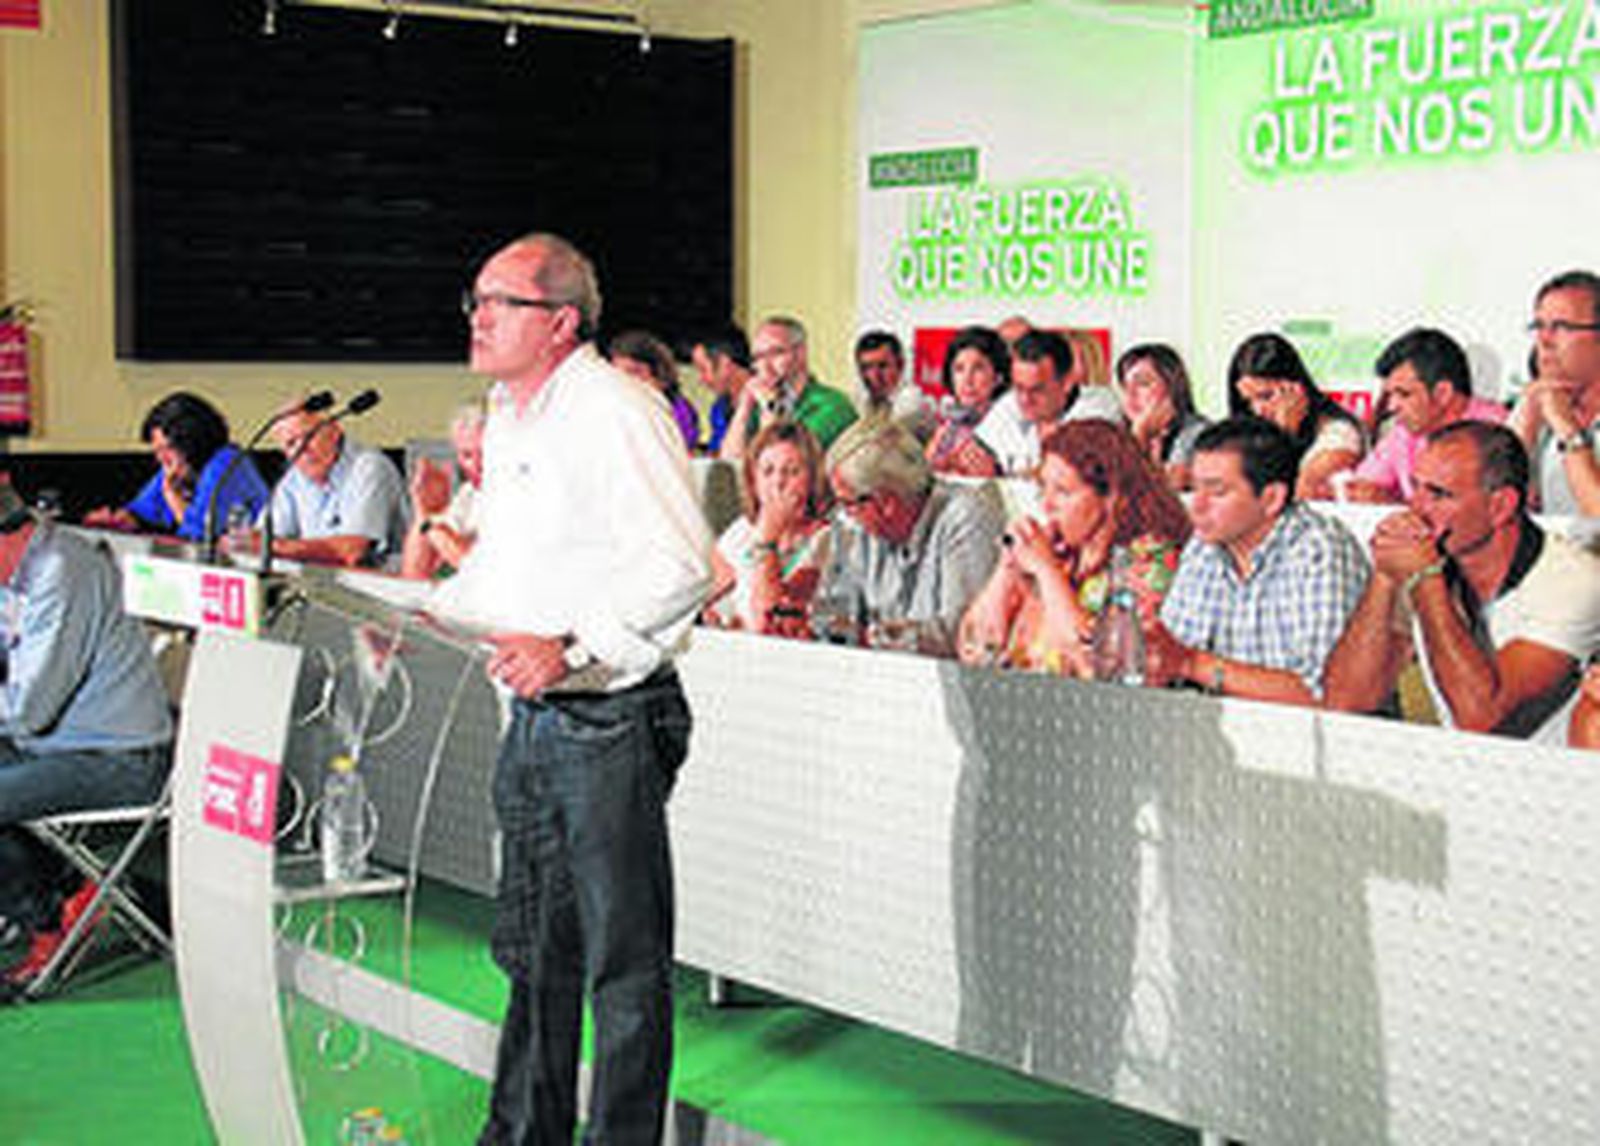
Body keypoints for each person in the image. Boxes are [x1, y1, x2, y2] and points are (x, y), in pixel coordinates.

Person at [432, 233, 711, 1145]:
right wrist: (432, 607)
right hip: (535, 714)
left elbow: (685, 566)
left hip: (607, 715)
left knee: (621, 969)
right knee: (532, 954)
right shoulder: (511, 415)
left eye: (498, 301)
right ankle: (520, 1131)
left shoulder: (615, 409)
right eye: (474, 297)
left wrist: (571, 646)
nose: (477, 315)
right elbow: (516, 565)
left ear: (559, 322)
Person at [0, 480, 173, 990]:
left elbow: (29, 709)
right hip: (54, 747)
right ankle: (59, 891)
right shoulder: (17, 575)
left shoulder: (61, 572)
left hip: (118, 760)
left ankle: (49, 912)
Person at [1324, 422, 1600, 740]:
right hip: (1462, 778)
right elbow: (1347, 701)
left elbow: (1481, 718)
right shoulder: (1429, 558)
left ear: (1500, 506)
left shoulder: (1576, 582)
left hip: (1558, 782)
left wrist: (1427, 579)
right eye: (1415, 487)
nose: (1417, 509)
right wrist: (1386, 576)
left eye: (1438, 494)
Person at [1143, 417, 1369, 704]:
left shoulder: (1319, 550)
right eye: (1193, 488)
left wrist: (1192, 664)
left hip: (1317, 740)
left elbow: (1324, 693)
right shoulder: (1205, 546)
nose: (1197, 506)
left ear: (1271, 498)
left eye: (1217, 491)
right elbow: (1173, 652)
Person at [958, 420, 1190, 675]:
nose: (1047, 505)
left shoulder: (1149, 559)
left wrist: (1047, 572)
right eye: (1043, 489)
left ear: (1110, 498)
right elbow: (974, 649)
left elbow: (1099, 667)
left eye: (1063, 492)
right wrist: (1006, 569)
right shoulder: (1060, 552)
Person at [820, 417, 1004, 655]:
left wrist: (876, 636)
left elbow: (963, 634)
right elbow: (836, 609)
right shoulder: (859, 527)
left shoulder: (966, 517)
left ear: (887, 503)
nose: (844, 514)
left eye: (847, 503)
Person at [1334, 328, 1506, 503]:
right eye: (1391, 394)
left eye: (1404, 394)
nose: (1392, 406)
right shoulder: (1405, 431)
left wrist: (1395, 503)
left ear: (1442, 393)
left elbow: (1472, 513)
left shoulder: (1495, 431)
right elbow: (1364, 484)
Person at [83, 391, 269, 542]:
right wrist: (116, 521)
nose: (161, 459)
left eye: (168, 449)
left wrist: (173, 497)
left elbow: (198, 537)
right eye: (156, 451)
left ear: (192, 443)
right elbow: (141, 511)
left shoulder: (227, 464)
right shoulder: (177, 468)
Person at [704, 421, 831, 636]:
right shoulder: (741, 531)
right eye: (767, 471)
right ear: (753, 480)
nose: (778, 482)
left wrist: (768, 537)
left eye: (791, 472)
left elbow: (768, 620)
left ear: (812, 480)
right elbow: (701, 596)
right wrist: (710, 617)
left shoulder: (825, 540)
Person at [258, 400, 408, 568]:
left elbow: (352, 552)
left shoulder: (369, 467)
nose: (302, 449)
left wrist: (277, 546)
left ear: (335, 431)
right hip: (324, 585)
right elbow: (262, 539)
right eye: (291, 443)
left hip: (382, 588)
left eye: (309, 436)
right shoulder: (292, 479)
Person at [1227, 331, 1366, 501]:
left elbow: (1298, 498)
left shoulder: (1338, 436)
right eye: (1248, 401)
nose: (1257, 410)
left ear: (1297, 390)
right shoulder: (1256, 433)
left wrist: (1286, 439)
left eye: (1266, 396)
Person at [1508, 269, 1600, 515]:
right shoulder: (1536, 403)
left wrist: (1568, 431)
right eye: (1538, 327)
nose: (1544, 341)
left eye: (1561, 327)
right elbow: (1485, 515)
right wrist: (1525, 425)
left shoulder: (1555, 412)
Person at [976, 329, 1123, 475]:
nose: (1025, 400)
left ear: (1066, 383)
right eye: (1019, 388)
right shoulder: (1009, 404)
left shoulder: (1099, 408)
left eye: (1037, 390)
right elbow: (974, 454)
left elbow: (1070, 477)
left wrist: (999, 474)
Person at [720, 316, 857, 461]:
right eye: (758, 357)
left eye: (775, 353)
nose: (765, 366)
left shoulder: (833, 405)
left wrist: (770, 408)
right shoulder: (758, 407)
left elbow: (778, 465)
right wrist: (744, 407)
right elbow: (730, 462)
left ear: (800, 354)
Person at [401, 400, 485, 580]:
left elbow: (477, 568)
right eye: (467, 455)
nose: (477, 465)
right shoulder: (469, 494)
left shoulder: (527, 491)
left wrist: (431, 526)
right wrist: (424, 511)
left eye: (486, 454)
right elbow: (414, 576)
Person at [1116, 343, 1209, 490]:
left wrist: (1141, 434)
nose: (1130, 395)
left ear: (1172, 387)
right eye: (1124, 386)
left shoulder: (1198, 432)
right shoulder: (1114, 432)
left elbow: (1170, 483)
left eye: (1142, 383)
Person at [926, 325, 1007, 478]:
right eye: (959, 369)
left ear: (998, 377)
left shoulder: (1009, 426)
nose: (967, 380)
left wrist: (994, 476)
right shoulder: (946, 429)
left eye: (978, 368)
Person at [610, 328, 700, 451]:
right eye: (618, 374)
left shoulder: (678, 409)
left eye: (634, 372)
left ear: (657, 372)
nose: (626, 380)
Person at [855, 329, 936, 440]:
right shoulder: (863, 401)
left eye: (883, 366)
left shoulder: (912, 401)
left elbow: (879, 443)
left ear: (900, 365)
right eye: (866, 368)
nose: (874, 375)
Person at [690, 323, 752, 455]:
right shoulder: (719, 408)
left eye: (703, 369)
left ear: (725, 363)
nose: (701, 380)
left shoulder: (770, 401)